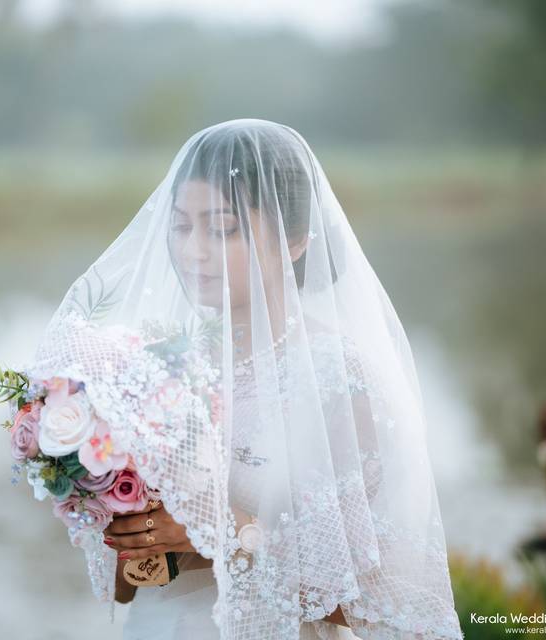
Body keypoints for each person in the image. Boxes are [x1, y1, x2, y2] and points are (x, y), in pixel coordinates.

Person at [30, 119, 464, 640]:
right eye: (182, 225)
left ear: (297, 239)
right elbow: (130, 584)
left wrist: (220, 531)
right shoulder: (158, 368)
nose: (193, 251)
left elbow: (388, 603)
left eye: (222, 227)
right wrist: (114, 504)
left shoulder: (342, 382)